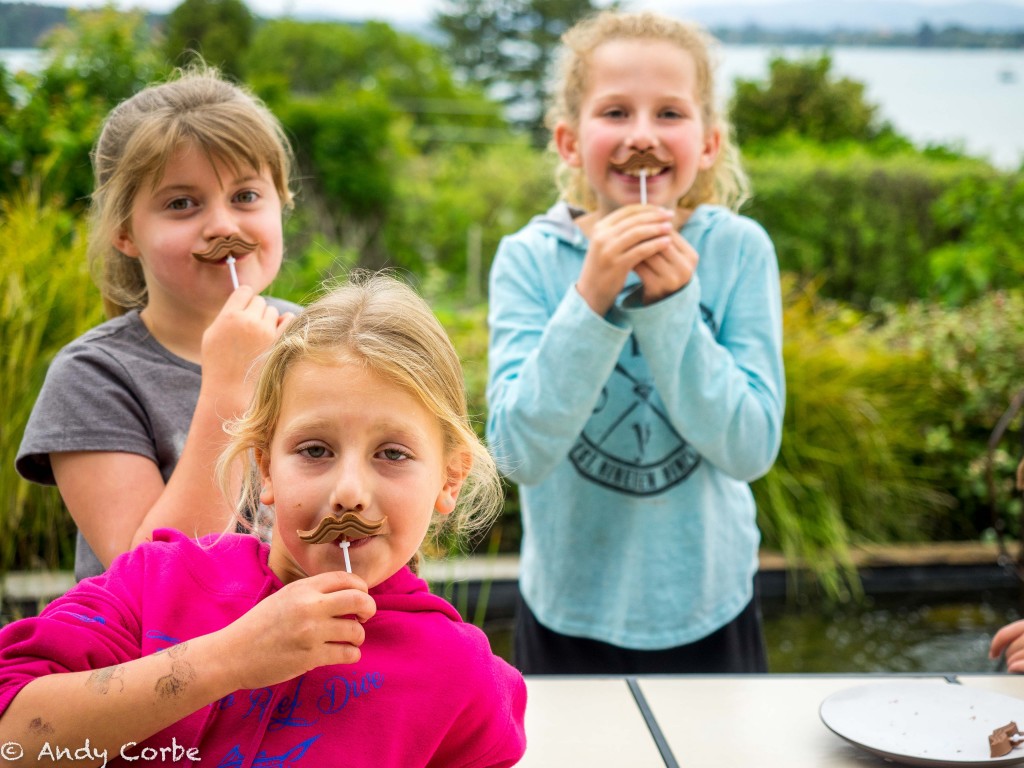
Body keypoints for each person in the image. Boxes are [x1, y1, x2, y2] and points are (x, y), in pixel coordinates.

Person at [0, 273, 528, 767]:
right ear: (265, 467)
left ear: (449, 480)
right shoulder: (156, 581)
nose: (348, 493)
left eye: (392, 454)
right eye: (315, 449)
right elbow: (13, 740)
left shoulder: (462, 680)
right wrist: (229, 658)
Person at [486, 10, 785, 674]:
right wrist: (591, 296)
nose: (642, 136)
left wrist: (674, 306)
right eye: (616, 112)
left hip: (710, 604)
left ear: (708, 143)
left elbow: (751, 448)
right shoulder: (528, 260)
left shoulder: (739, 251)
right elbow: (517, 453)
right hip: (565, 608)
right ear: (568, 141)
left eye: (670, 114)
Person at [16, 65, 300, 581]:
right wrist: (228, 385)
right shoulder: (93, 376)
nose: (223, 226)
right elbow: (150, 580)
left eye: (246, 196)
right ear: (125, 232)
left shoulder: (320, 343)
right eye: (181, 204)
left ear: (282, 202)